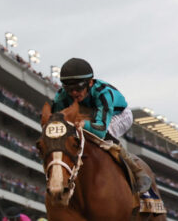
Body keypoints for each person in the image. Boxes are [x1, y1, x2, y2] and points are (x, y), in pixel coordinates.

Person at [50, 57, 151, 193]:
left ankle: (137, 171)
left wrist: (81, 124)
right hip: (89, 114)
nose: (74, 93)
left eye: (78, 88)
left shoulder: (103, 93)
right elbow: (55, 124)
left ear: (90, 83)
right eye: (69, 88)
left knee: (105, 136)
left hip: (118, 115)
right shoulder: (61, 96)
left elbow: (100, 131)